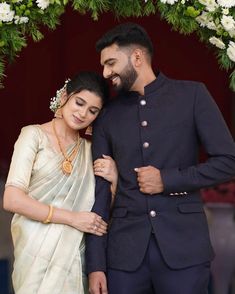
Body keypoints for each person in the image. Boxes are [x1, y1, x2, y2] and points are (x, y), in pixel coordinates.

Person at [85, 22, 235, 294]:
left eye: (111, 63)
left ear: (137, 57)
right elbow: (99, 194)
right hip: (123, 257)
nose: (106, 73)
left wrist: (167, 179)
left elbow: (229, 161)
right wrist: (95, 264)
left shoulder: (192, 96)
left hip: (185, 251)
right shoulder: (108, 115)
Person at [3, 71, 118, 294]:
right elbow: (12, 199)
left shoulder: (90, 151)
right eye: (79, 102)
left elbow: (98, 215)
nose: (83, 113)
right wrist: (72, 218)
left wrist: (113, 182)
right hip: (34, 254)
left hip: (74, 257)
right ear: (65, 96)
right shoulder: (33, 136)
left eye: (92, 111)